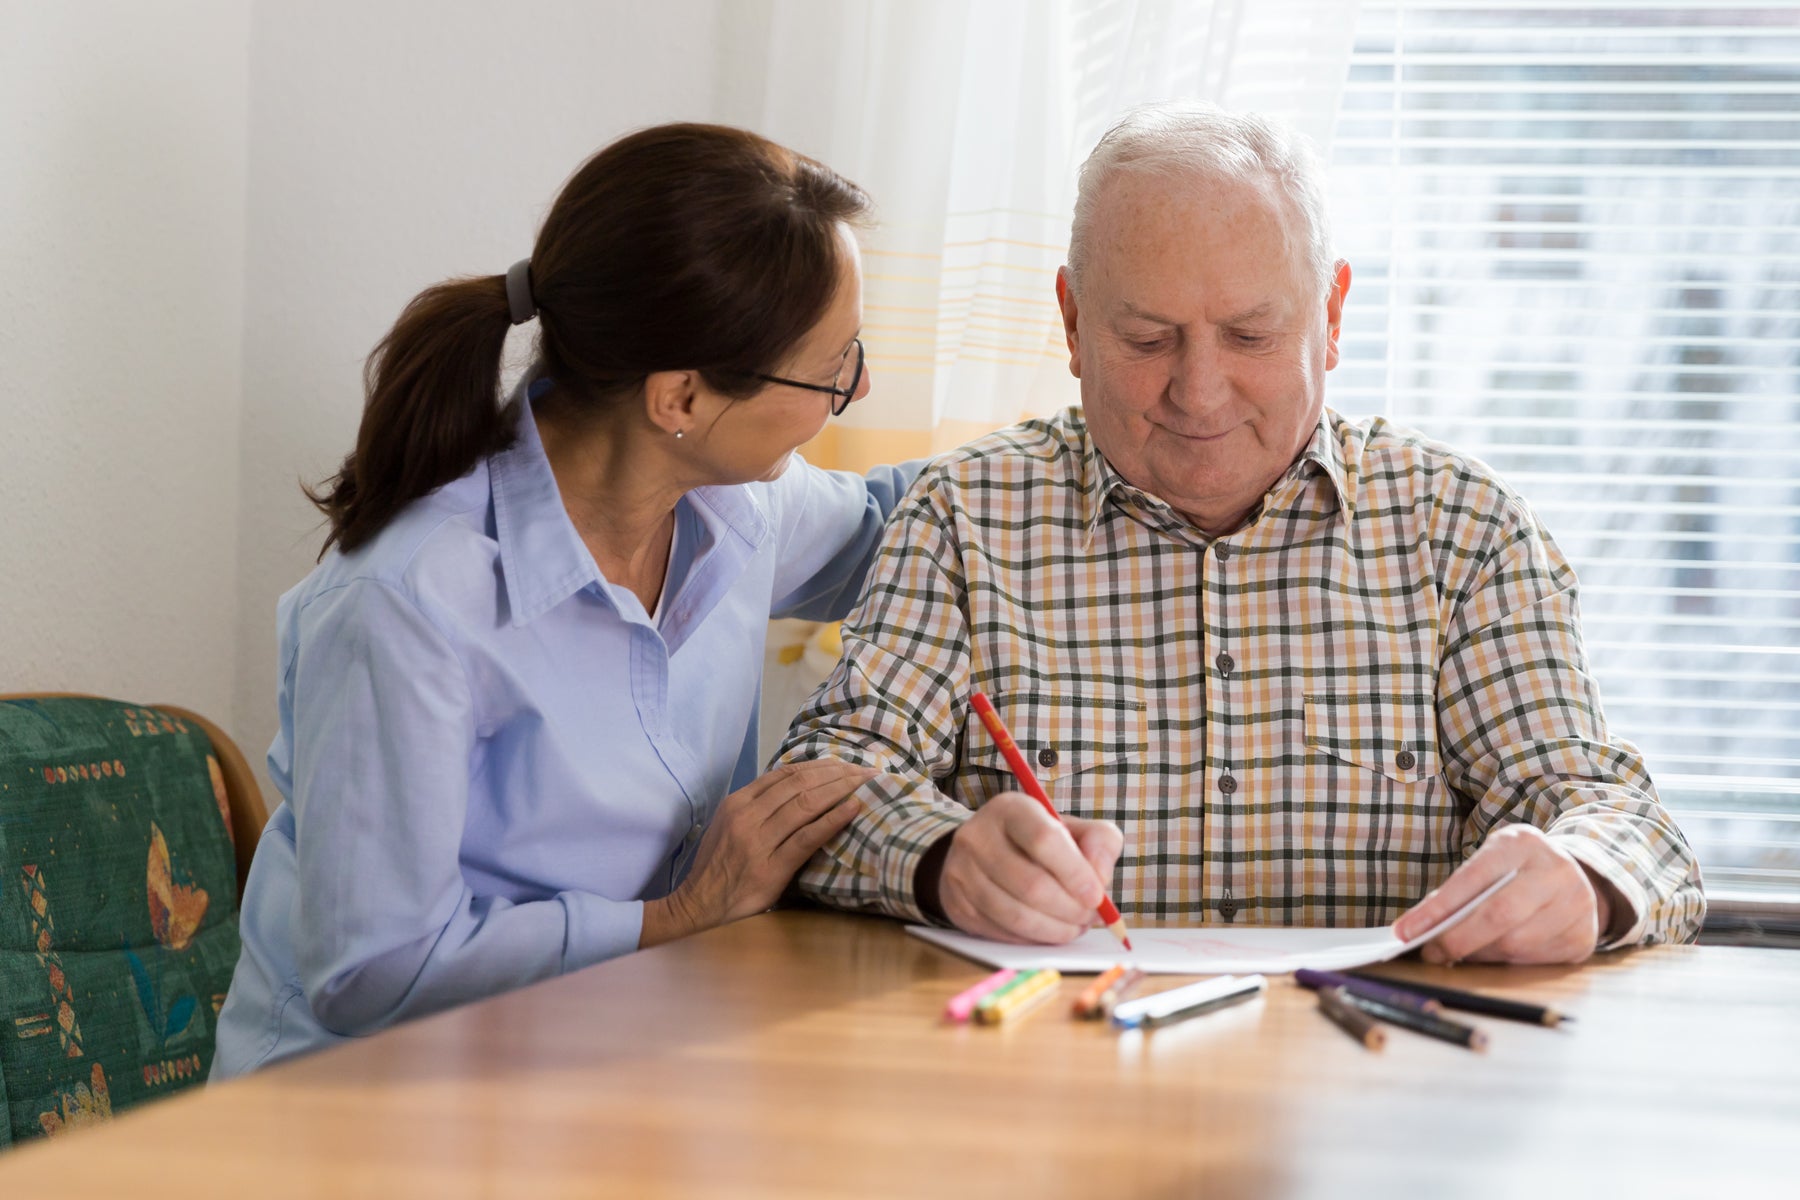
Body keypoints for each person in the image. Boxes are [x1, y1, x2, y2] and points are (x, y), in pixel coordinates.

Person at [777, 101, 1705, 964]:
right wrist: (939, 860)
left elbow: (1614, 814)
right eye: (1147, 339)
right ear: (1070, 320)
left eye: (1252, 336)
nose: (1200, 391)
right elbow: (818, 792)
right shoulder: (963, 518)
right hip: (1049, 1074)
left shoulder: (1460, 533)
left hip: (1371, 1078)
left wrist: (1582, 881)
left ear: (1332, 317)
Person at [212, 124, 921, 1076]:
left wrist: (1105, 429)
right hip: (366, 1113)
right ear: (679, 400)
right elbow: (374, 967)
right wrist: (676, 919)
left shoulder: (735, 501)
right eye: (834, 369)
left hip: (595, 1073)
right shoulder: (410, 599)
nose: (860, 385)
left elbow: (907, 531)